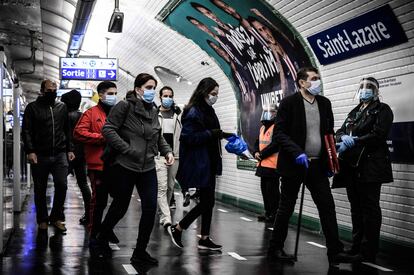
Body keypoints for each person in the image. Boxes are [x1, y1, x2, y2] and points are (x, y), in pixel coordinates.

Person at [267, 67, 358, 268]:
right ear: (301, 82)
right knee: (286, 208)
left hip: (317, 166)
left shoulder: (325, 104)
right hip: (294, 165)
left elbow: (328, 133)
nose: (318, 82)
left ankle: (335, 252)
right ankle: (275, 248)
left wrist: (330, 159)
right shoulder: (289, 103)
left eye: (318, 78)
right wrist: (296, 151)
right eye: (314, 79)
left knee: (327, 207)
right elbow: (279, 134)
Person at [97, 73, 174, 265]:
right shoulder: (124, 106)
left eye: (153, 88)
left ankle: (140, 251)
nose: (151, 92)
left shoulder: (153, 109)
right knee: (120, 207)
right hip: (126, 165)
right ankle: (101, 238)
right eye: (148, 87)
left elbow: (157, 135)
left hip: (147, 166)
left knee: (149, 208)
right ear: (138, 88)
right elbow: (108, 129)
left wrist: (167, 151)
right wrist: (127, 149)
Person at [333, 77, 394, 263]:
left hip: (371, 166)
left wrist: (356, 141)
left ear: (376, 91)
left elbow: (378, 134)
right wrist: (343, 138)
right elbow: (340, 131)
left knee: (370, 208)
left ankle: (368, 251)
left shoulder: (383, 110)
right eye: (362, 87)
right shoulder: (354, 111)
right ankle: (356, 246)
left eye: (369, 88)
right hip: (352, 167)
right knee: (356, 208)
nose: (364, 90)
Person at [168, 77, 232, 251]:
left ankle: (204, 238)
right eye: (213, 93)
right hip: (200, 162)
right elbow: (188, 138)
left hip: (209, 161)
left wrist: (223, 134)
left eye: (217, 94)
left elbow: (209, 132)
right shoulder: (193, 111)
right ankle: (179, 227)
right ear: (203, 92)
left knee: (208, 201)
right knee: (207, 202)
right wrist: (212, 134)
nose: (215, 97)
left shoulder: (208, 110)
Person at [22, 79, 75, 232]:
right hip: (40, 155)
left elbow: (67, 130)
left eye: (54, 89)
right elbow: (27, 131)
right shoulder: (33, 108)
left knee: (62, 185)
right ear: (42, 91)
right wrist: (30, 151)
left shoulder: (62, 107)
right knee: (40, 188)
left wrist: (70, 149)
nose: (53, 92)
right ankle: (42, 220)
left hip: (59, 154)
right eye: (49, 90)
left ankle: (56, 217)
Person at [73, 81, 119, 253]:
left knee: (119, 199)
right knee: (98, 202)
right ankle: (94, 236)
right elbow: (78, 133)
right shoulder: (91, 114)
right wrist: (101, 138)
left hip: (117, 165)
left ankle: (106, 229)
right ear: (100, 95)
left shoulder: (118, 113)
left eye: (115, 93)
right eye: (110, 93)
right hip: (98, 164)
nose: (113, 96)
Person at [61, 89, 91, 225]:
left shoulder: (65, 116)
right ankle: (89, 213)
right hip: (82, 154)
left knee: (61, 183)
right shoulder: (84, 116)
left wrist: (69, 149)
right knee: (83, 184)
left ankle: (58, 213)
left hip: (68, 154)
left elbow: (65, 136)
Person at [156, 86, 182, 229]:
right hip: (159, 156)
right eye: (165, 96)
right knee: (162, 187)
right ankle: (166, 217)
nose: (168, 98)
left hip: (175, 155)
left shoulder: (178, 115)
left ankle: (161, 212)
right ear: (160, 97)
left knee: (170, 187)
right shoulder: (154, 114)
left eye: (170, 96)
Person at [254, 104, 280, 223]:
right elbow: (257, 142)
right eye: (265, 111)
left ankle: (275, 214)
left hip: (273, 165)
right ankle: (268, 212)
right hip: (262, 165)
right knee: (264, 190)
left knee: (273, 192)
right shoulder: (262, 127)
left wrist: (262, 154)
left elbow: (275, 145)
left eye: (270, 111)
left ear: (276, 112)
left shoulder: (277, 127)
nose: (267, 113)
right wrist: (255, 152)